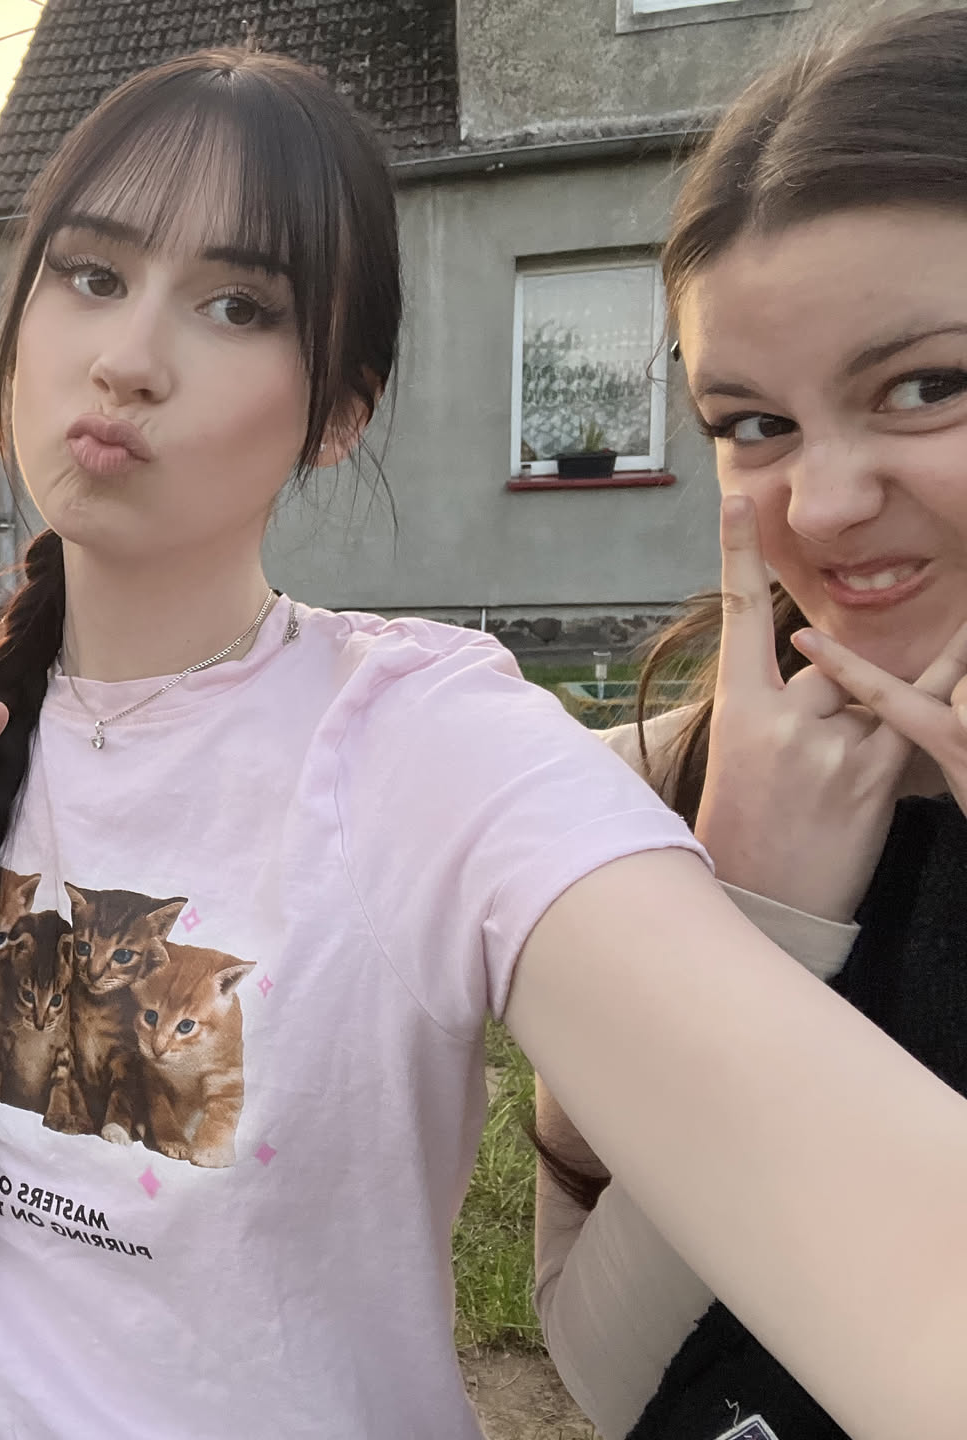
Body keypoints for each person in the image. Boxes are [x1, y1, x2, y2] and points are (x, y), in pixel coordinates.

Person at [0, 47, 967, 1440]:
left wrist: (758, 915)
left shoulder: (423, 739)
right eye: (91, 274)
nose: (127, 359)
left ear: (339, 413)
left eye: (236, 305)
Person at [532, 11, 967, 1438]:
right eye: (753, 423)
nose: (823, 507)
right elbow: (602, 1370)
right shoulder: (669, 788)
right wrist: (750, 928)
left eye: (928, 386)